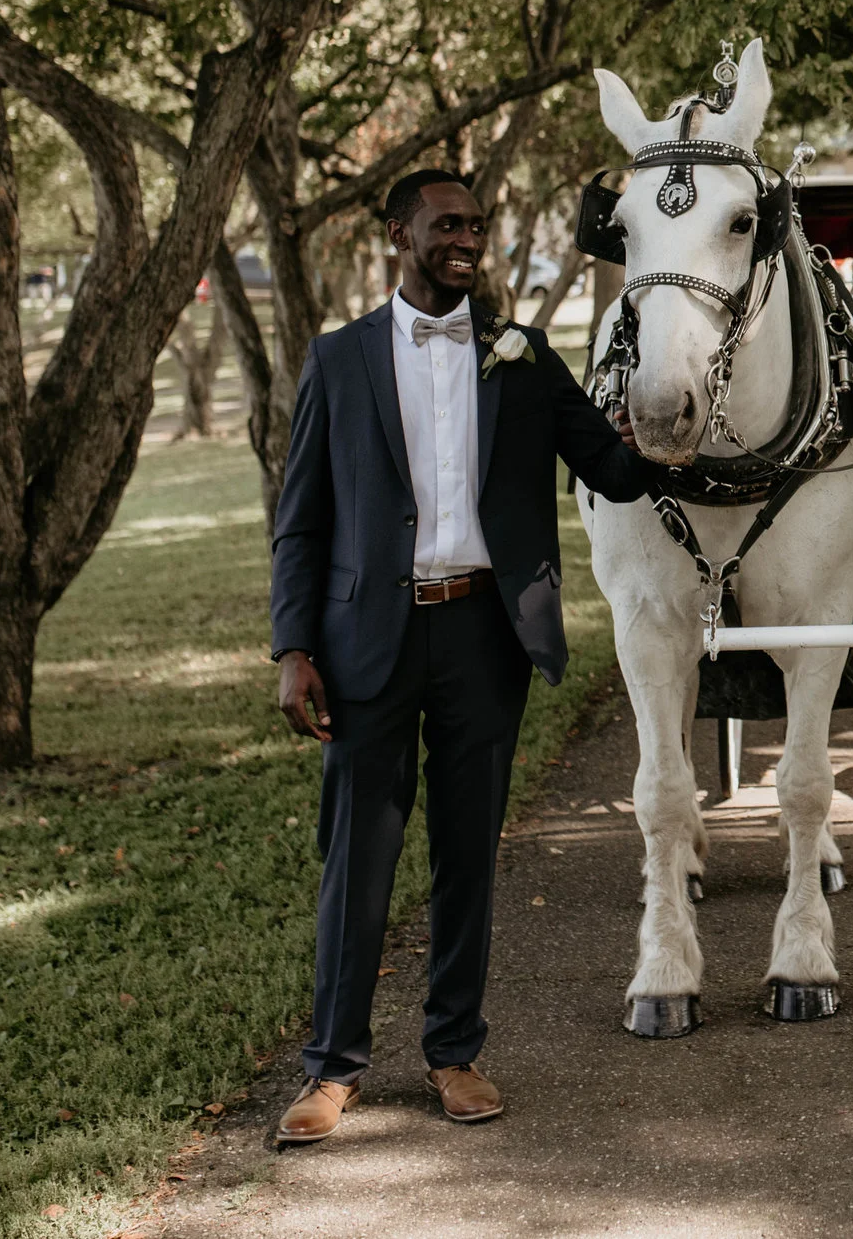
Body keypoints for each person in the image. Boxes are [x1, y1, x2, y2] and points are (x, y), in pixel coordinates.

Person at [267, 168, 661, 1148]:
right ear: (398, 232)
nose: (466, 239)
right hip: (367, 642)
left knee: (466, 858)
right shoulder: (339, 359)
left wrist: (662, 423)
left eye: (476, 226)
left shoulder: (521, 358)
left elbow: (607, 467)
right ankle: (333, 1067)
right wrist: (292, 647)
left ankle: (453, 1051)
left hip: (488, 636)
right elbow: (300, 524)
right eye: (447, 225)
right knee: (357, 857)